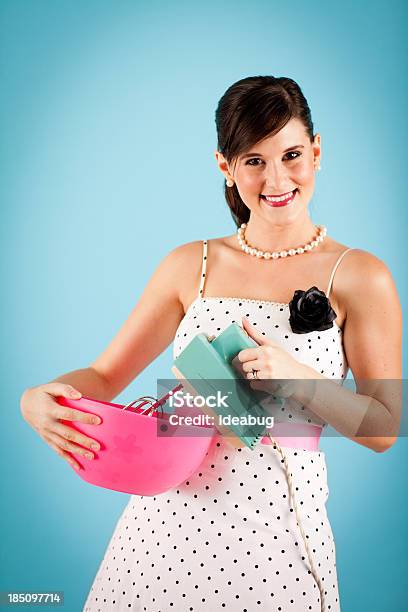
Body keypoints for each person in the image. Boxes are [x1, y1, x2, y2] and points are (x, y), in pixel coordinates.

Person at [20, 75, 402, 612]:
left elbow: (384, 426)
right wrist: (40, 398)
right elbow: (104, 377)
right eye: (253, 160)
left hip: (277, 537)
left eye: (291, 154)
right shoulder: (189, 264)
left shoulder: (361, 276)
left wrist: (296, 378)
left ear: (316, 152)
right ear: (225, 166)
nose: (277, 178)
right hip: (160, 532)